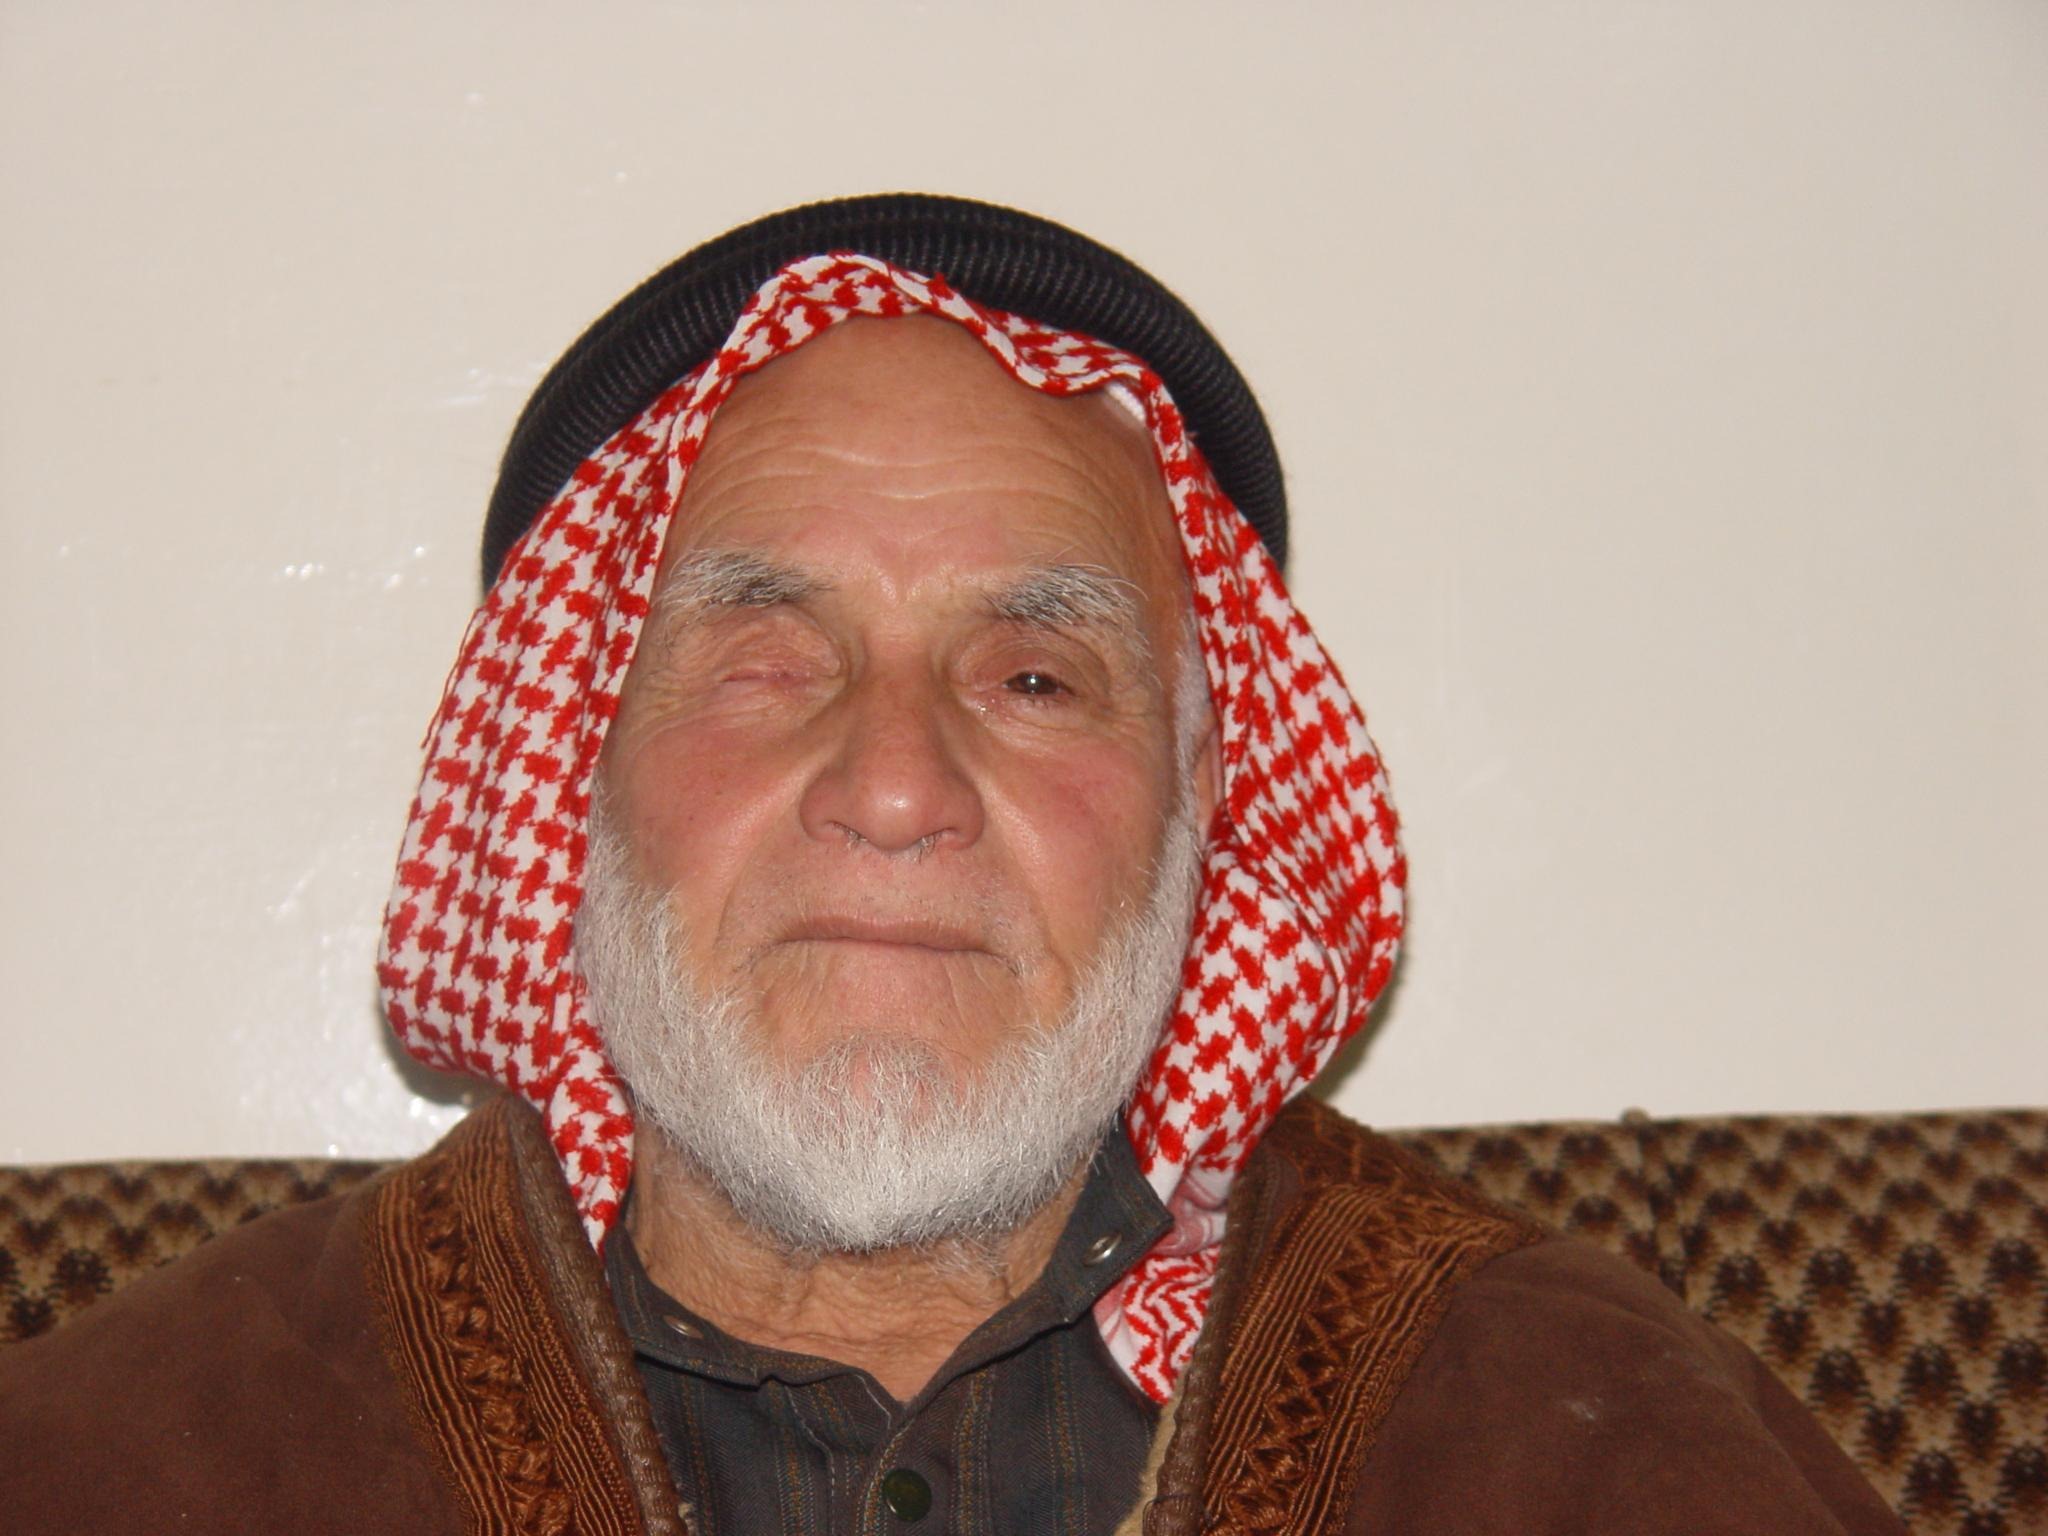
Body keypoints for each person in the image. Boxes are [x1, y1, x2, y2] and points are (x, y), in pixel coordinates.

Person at [0, 194, 1902, 1534]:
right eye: (767, 661)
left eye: (1035, 677)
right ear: (572, 760)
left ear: (1197, 791)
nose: (898, 788)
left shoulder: (1590, 1449)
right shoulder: (135, 1458)